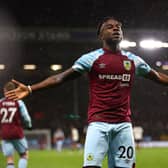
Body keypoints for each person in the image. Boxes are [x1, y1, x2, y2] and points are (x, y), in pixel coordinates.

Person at [5, 16, 168, 168]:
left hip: (123, 125)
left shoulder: (133, 60)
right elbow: (60, 78)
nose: (116, 28)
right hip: (98, 124)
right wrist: (31, 88)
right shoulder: (92, 58)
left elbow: (158, 76)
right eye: (109, 27)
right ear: (101, 35)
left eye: (118, 26)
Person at [0, 81, 32, 168]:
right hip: (16, 132)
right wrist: (29, 126)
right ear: (14, 91)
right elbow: (26, 117)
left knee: (9, 159)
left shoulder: (0, 103)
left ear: (4, 91)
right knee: (24, 155)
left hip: (4, 134)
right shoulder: (18, 102)